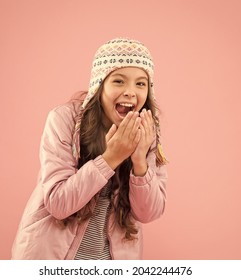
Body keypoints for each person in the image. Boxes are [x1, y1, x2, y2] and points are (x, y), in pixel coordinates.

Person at [11, 38, 168, 260]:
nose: (131, 92)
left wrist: (140, 161)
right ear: (99, 84)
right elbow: (59, 203)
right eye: (119, 81)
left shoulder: (147, 131)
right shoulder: (64, 120)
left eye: (140, 83)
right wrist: (111, 158)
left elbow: (148, 212)